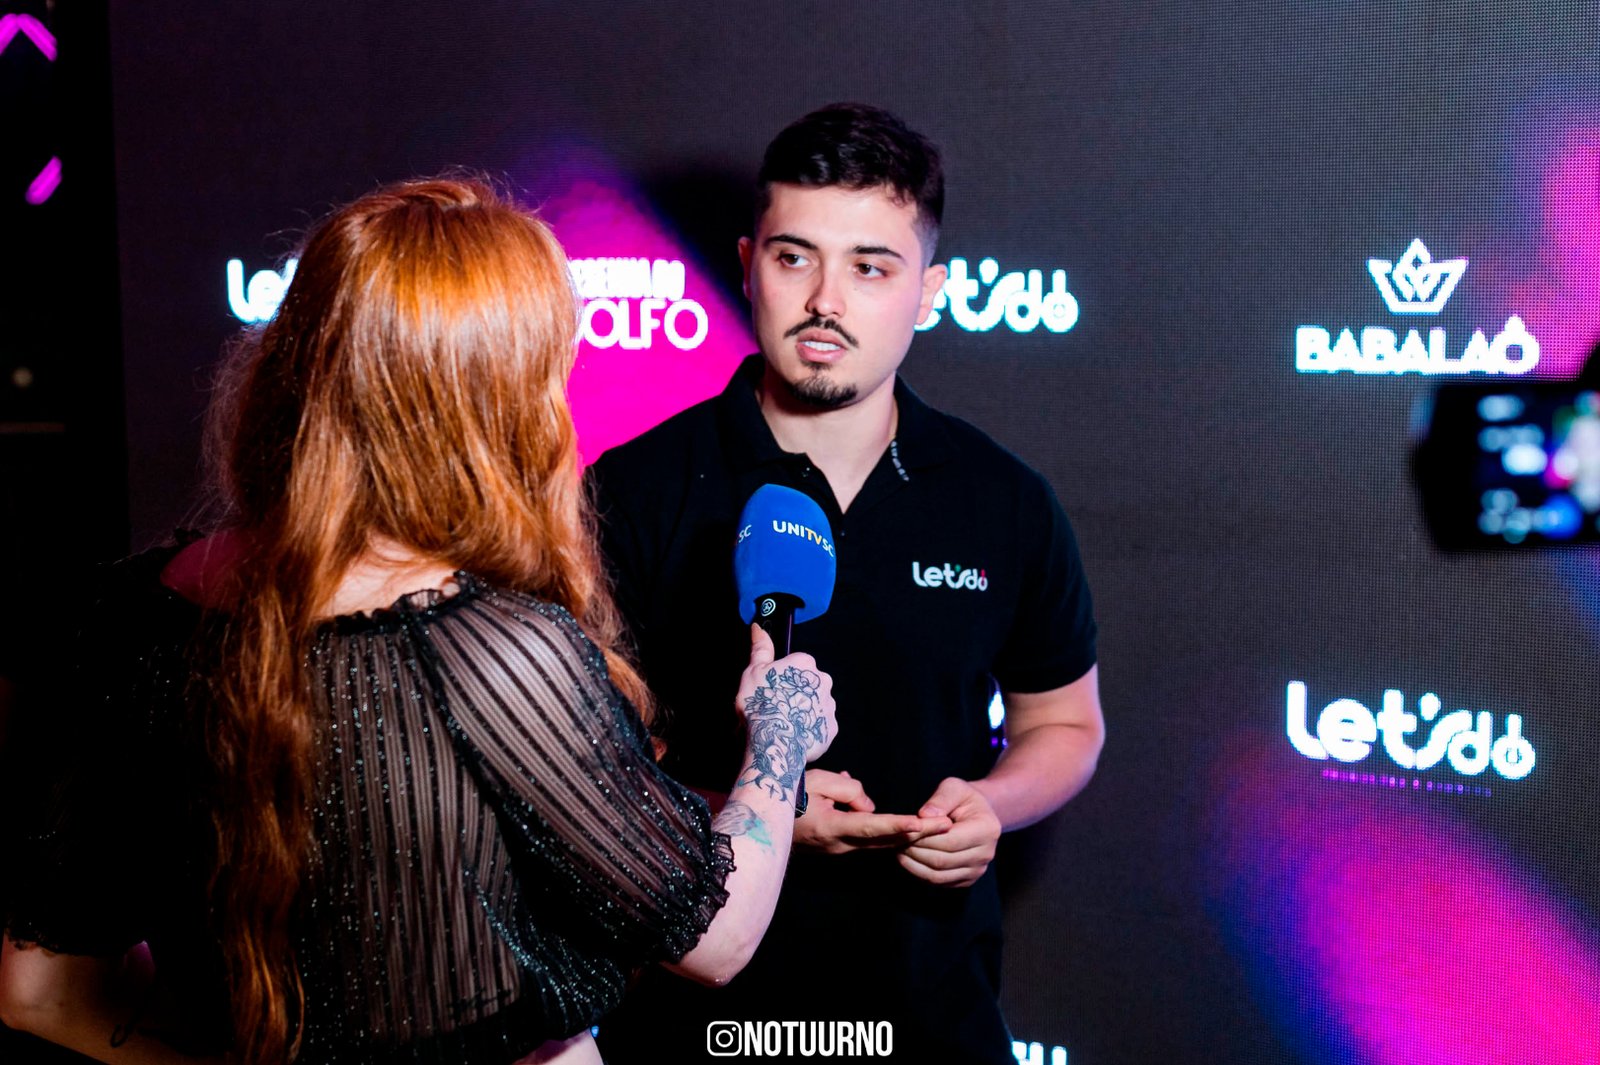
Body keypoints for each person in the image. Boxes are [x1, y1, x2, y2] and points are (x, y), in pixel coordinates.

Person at [0, 178, 836, 1065]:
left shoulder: (126, 612)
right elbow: (717, 937)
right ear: (500, 404)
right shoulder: (497, 651)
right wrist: (779, 737)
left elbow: (39, 993)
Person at [589, 104, 1105, 1062]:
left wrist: (993, 803)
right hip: (692, 1027)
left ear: (929, 291)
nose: (826, 299)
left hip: (933, 1020)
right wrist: (749, 802)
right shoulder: (634, 487)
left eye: (871, 267)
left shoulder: (1003, 499)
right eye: (796, 258)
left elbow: (1065, 723)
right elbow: (576, 770)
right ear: (748, 264)